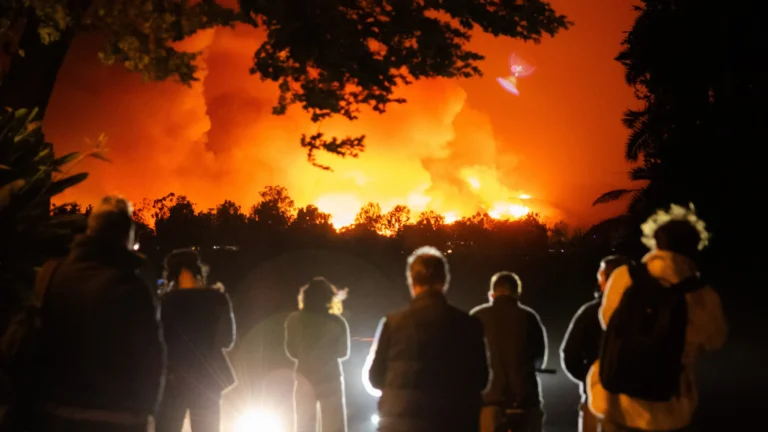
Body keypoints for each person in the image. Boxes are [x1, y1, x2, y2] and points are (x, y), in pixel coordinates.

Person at [587, 204, 728, 432]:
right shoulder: (703, 295)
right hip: (669, 408)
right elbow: (715, 340)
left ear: (655, 242)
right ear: (695, 247)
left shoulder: (625, 277)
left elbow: (607, 321)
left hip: (616, 402)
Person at [38, 196, 166, 431]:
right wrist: (146, 413)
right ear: (127, 236)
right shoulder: (132, 289)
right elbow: (150, 359)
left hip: (57, 414)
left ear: (90, 230)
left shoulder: (52, 275)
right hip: (116, 418)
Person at [364, 246, 489, 432]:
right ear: (445, 281)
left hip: (401, 423)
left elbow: (375, 378)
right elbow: (481, 379)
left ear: (411, 281)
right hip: (454, 422)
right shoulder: (469, 324)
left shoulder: (393, 323)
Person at [155, 249, 236, 432]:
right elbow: (228, 340)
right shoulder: (217, 299)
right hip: (207, 378)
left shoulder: (165, 302)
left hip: (174, 378)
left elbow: (158, 343)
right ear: (199, 271)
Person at [470, 272, 548, 432]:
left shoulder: (477, 317)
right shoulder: (529, 317)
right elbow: (540, 358)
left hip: (489, 401)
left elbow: (466, 360)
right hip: (525, 399)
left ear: (491, 294)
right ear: (517, 293)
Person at [560, 256, 628, 432]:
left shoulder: (590, 313)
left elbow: (570, 355)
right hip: (638, 405)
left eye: (601, 277)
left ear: (606, 279)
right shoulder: (646, 310)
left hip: (597, 401)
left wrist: (589, 378)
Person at [285, 277, 350, 432]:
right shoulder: (338, 322)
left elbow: (291, 351)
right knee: (334, 426)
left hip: (305, 376)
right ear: (329, 298)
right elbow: (343, 352)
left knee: (304, 426)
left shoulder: (294, 320)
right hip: (330, 378)